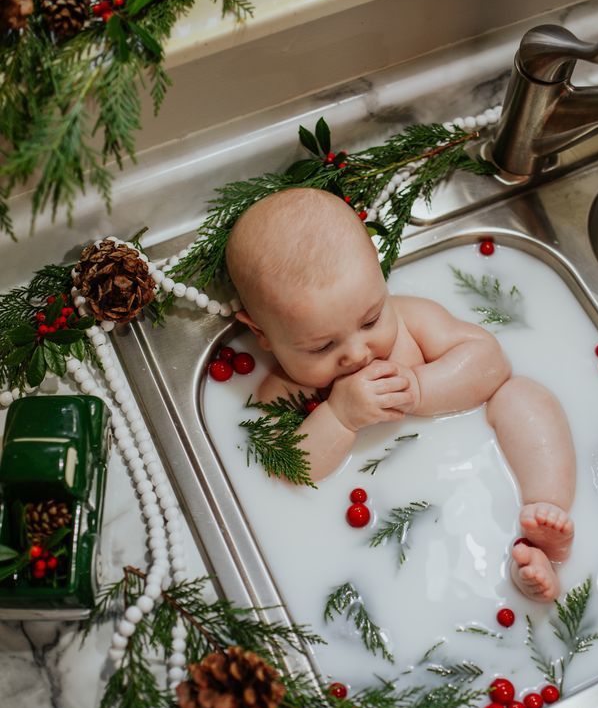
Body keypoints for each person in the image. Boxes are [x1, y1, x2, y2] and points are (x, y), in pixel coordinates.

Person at [226, 188, 575, 601]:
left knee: (523, 397)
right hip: (394, 521)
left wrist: (421, 387)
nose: (357, 353)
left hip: (479, 468)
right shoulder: (285, 389)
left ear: (379, 273)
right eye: (323, 347)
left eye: (371, 319)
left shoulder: (412, 321)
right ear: (261, 334)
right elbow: (288, 470)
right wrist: (338, 417)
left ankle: (542, 526)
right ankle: (519, 567)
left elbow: (490, 363)